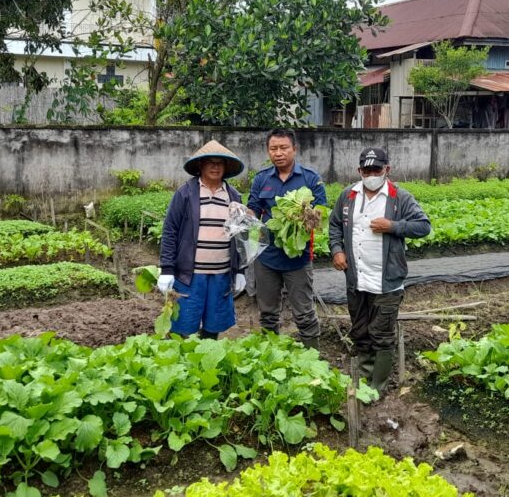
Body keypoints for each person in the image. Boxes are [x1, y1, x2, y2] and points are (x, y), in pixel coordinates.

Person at [328, 147, 431, 394]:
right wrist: (336, 250)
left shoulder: (399, 197)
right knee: (361, 330)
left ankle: (379, 385)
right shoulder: (348, 196)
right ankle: (365, 376)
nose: (371, 174)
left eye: (377, 169)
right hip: (357, 278)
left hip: (387, 281)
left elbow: (423, 226)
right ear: (359, 171)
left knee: (382, 334)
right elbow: (334, 226)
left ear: (387, 170)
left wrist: (393, 226)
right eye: (367, 170)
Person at [157, 140, 247, 339]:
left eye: (220, 163)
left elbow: (240, 236)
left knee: (213, 326)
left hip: (221, 273)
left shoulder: (233, 196)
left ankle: (206, 363)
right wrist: (167, 269)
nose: (215, 167)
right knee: (182, 325)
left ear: (225, 167)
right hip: (190, 275)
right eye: (210, 163)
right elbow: (170, 230)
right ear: (200, 166)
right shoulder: (186, 193)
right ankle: (179, 366)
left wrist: (239, 270)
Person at [247, 128, 327, 349]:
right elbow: (253, 209)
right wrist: (242, 214)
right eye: (273, 149)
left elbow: (319, 219)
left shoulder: (311, 178)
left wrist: (300, 215)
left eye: (283, 148)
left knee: (304, 313)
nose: (278, 153)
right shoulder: (262, 179)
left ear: (294, 149)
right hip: (266, 258)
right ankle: (270, 358)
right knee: (268, 314)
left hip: (298, 259)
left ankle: (312, 360)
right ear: (268, 151)